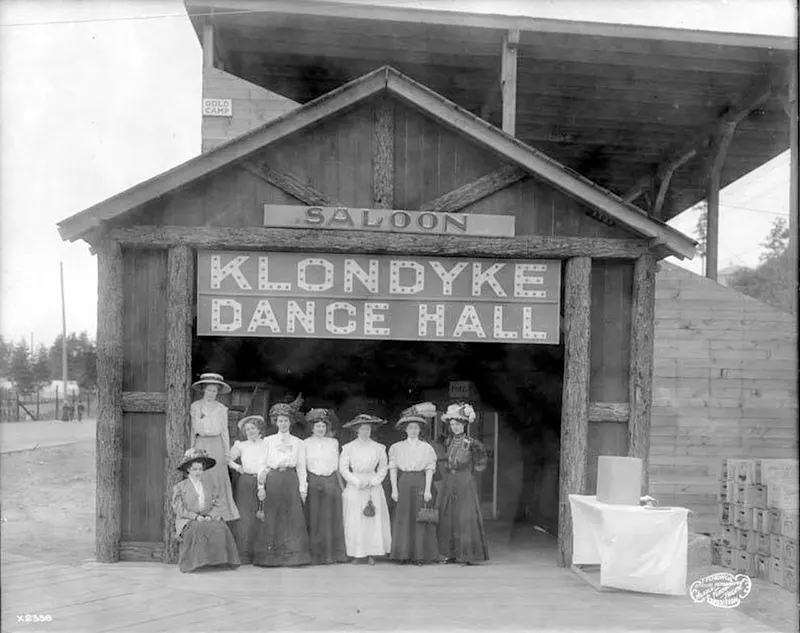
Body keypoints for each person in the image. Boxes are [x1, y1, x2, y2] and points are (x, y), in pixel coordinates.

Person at [254, 396, 311, 567]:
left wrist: (303, 488)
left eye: (286, 420)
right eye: (280, 420)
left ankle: (293, 557)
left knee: (292, 516)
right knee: (273, 515)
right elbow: (262, 465)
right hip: (274, 480)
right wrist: (260, 486)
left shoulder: (298, 443)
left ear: (290, 422)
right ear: (275, 422)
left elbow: (301, 467)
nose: (283, 423)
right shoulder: (268, 441)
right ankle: (271, 557)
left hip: (290, 480)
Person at [171, 447, 241, 573]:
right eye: (194, 469)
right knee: (197, 529)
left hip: (207, 516)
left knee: (220, 527)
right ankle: (195, 563)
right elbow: (179, 509)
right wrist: (195, 517)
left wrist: (210, 515)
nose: (198, 472)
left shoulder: (209, 486)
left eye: (200, 469)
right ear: (188, 470)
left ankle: (218, 562)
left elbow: (218, 503)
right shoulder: (180, 487)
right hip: (187, 519)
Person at [437, 402, 489, 565]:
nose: (455, 427)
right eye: (452, 424)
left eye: (458, 424)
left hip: (465, 482)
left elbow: (481, 463)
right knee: (449, 516)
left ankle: (468, 555)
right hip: (450, 482)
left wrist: (470, 470)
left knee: (465, 517)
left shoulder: (472, 443)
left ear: (464, 425)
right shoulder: (448, 441)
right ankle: (450, 553)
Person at [388, 402, 439, 565]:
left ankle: (420, 555)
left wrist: (428, 489)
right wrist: (394, 489)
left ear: (419, 430)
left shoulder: (426, 448)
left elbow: (430, 469)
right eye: (410, 428)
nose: (413, 430)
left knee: (420, 517)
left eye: (416, 428)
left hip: (420, 481)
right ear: (405, 429)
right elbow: (393, 469)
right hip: (404, 482)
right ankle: (403, 554)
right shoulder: (396, 447)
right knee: (403, 517)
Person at [339, 414, 391, 564]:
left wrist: (374, 481)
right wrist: (356, 481)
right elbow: (343, 468)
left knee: (372, 520)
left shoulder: (379, 448)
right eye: (362, 429)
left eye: (367, 429)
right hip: (355, 486)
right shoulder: (348, 448)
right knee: (355, 520)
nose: (365, 432)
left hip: (372, 486)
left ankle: (372, 553)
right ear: (357, 430)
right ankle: (357, 553)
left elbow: (383, 468)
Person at [189, 373, 239, 521]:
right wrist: (191, 448)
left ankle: (219, 512)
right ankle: (200, 510)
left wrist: (227, 452)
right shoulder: (195, 406)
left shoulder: (221, 408)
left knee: (217, 476)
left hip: (216, 444)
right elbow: (192, 430)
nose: (212, 393)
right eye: (209, 390)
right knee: (201, 473)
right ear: (204, 389)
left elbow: (224, 431)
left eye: (215, 391)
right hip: (201, 443)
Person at [303, 408, 347, 564]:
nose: (320, 429)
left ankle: (332, 554)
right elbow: (303, 465)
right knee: (315, 518)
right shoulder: (305, 443)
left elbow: (337, 465)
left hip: (330, 482)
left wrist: (339, 485)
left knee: (330, 518)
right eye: (317, 426)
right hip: (314, 482)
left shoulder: (333, 443)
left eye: (323, 426)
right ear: (312, 428)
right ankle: (316, 555)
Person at [227, 414, 268, 564]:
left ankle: (260, 553)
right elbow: (228, 458)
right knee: (245, 516)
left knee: (261, 514)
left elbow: (268, 462)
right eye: (247, 429)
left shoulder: (266, 443)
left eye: (253, 428)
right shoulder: (241, 445)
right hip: (245, 482)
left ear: (259, 429)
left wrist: (262, 483)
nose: (250, 431)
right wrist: (238, 467)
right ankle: (243, 553)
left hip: (263, 480)